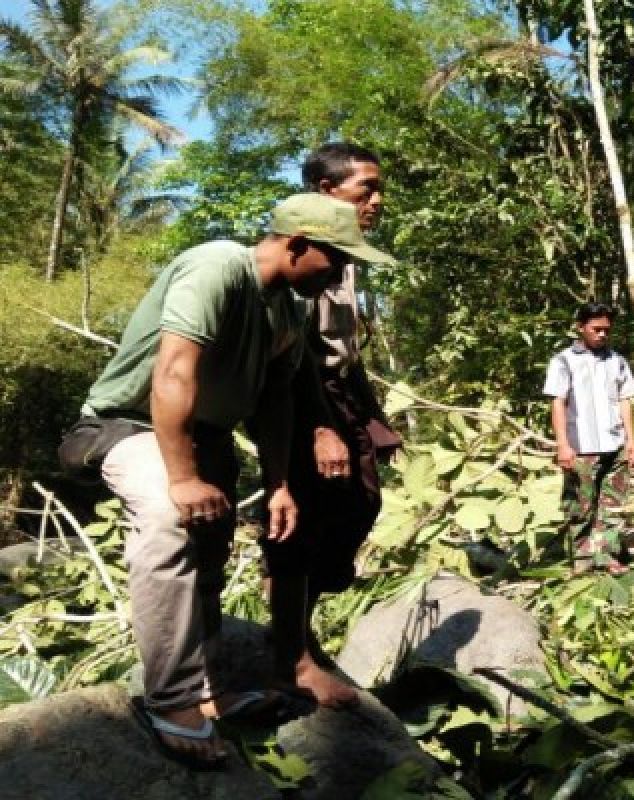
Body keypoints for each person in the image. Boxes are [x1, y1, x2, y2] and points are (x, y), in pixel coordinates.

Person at [72, 193, 392, 769]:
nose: (343, 274)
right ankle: (171, 701)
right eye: (338, 260)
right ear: (298, 244)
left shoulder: (288, 311)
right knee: (172, 518)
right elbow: (174, 370)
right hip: (131, 425)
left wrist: (279, 486)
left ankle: (208, 690)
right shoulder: (217, 265)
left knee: (213, 548)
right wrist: (184, 478)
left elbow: (273, 405)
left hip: (208, 437)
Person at [261, 142, 401, 709]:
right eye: (365, 187)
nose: (377, 200)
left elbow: (346, 351)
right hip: (300, 393)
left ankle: (298, 623)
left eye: (379, 188)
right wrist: (320, 428)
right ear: (325, 191)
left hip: (339, 393)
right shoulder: (305, 251)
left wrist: (373, 419)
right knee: (307, 515)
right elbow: (294, 353)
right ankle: (289, 652)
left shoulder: (347, 260)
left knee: (360, 504)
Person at [544, 303, 634, 573]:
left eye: (606, 330)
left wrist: (631, 440)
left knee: (613, 504)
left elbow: (624, 400)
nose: (601, 335)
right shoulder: (564, 361)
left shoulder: (616, 360)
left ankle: (607, 556)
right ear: (581, 327)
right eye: (596, 329)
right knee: (581, 506)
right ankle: (584, 560)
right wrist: (563, 444)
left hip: (615, 445)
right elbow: (558, 402)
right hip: (581, 448)